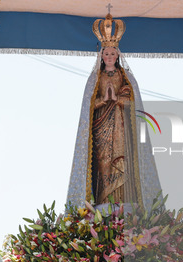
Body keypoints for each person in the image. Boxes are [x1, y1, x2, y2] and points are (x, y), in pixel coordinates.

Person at [66, 13, 161, 210]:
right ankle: (103, 202)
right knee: (103, 164)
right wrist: (103, 100)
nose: (109, 57)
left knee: (123, 160)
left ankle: (125, 199)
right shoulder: (94, 79)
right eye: (106, 53)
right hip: (101, 126)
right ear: (101, 56)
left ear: (117, 55)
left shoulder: (125, 77)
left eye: (112, 53)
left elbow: (132, 99)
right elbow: (88, 107)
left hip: (121, 125)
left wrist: (117, 98)